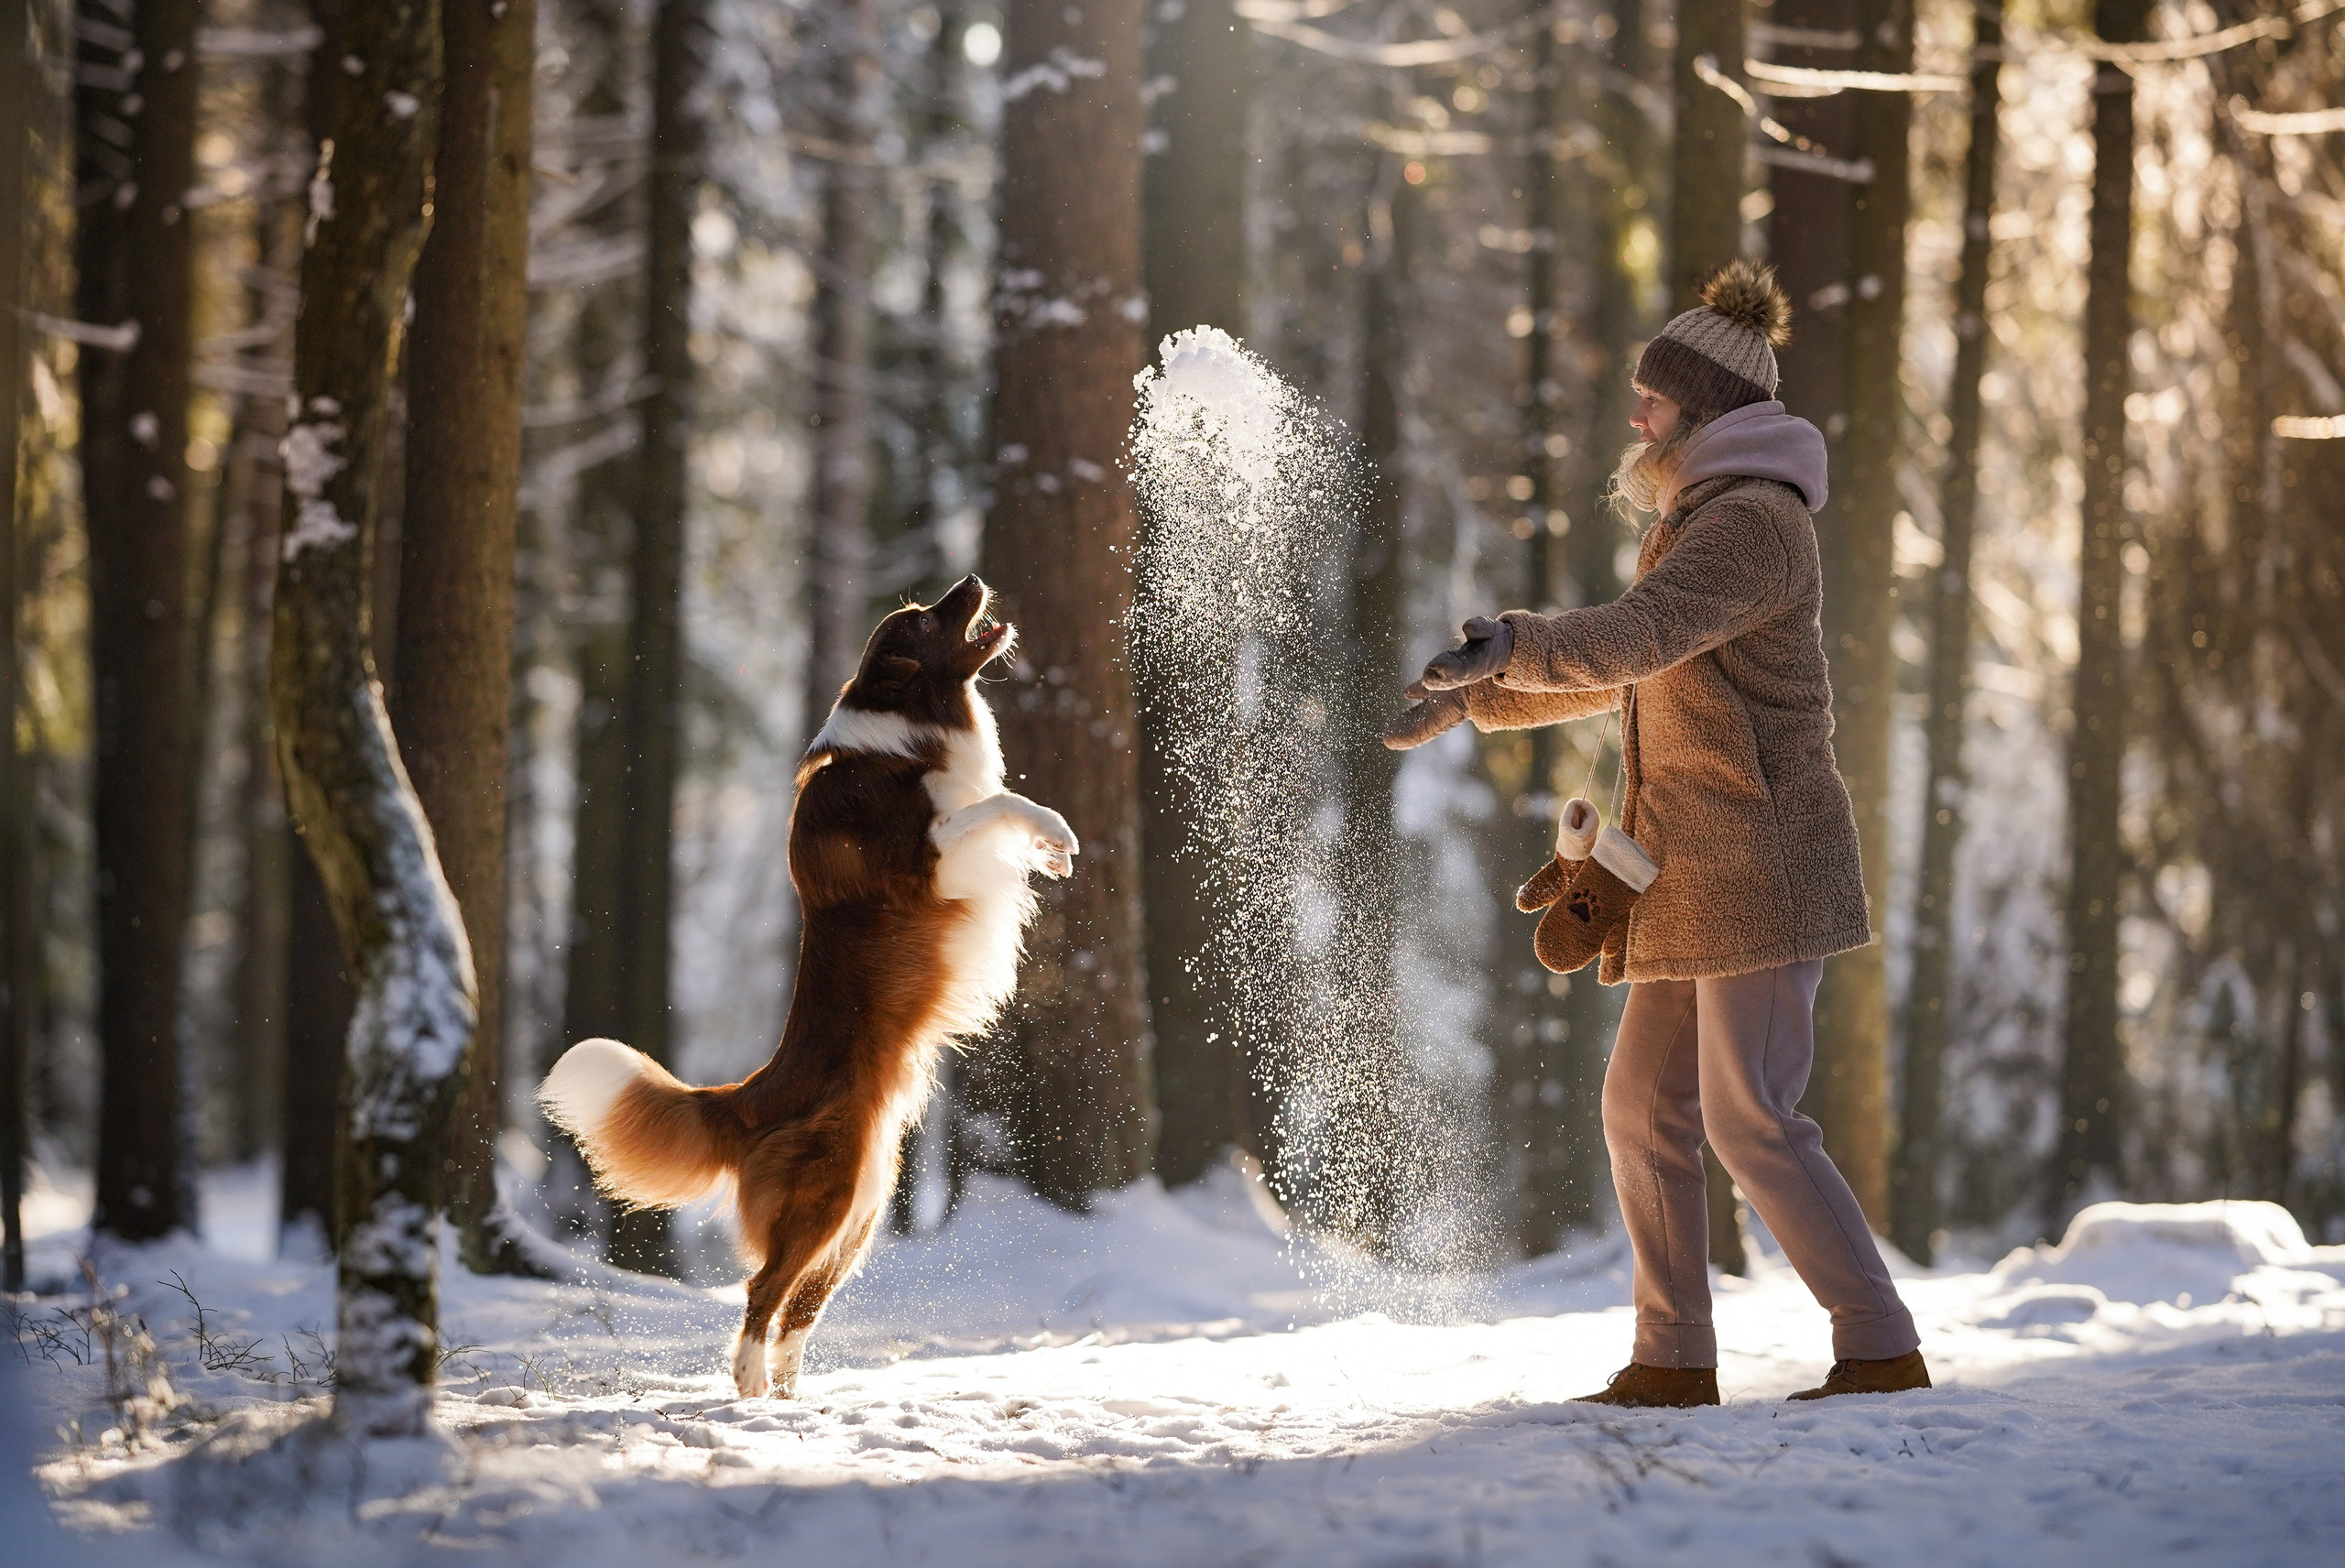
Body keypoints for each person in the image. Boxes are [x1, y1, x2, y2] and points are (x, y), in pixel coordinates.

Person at [1382, 258, 1928, 1408]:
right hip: (1687, 864)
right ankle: (1671, 1352)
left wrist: (1511, 646)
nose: (1635, 413)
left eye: (1654, 397)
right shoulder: (1700, 517)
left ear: (1708, 410)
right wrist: (1478, 696)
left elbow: (1637, 637)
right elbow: (1636, 673)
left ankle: (1878, 1342)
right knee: (1641, 1106)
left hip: (1766, 861)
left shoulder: (1753, 524)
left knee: (1750, 1115)